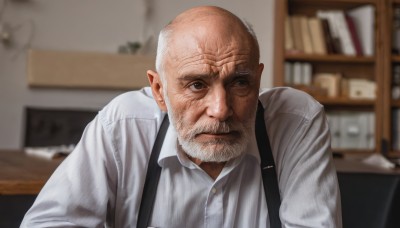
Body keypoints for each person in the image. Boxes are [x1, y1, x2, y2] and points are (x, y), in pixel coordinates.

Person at [21, 6, 342, 228]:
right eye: (197, 85)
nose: (220, 109)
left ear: (258, 80)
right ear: (159, 90)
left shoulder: (296, 122)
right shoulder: (122, 127)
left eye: (240, 82)